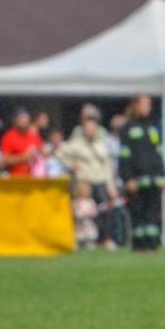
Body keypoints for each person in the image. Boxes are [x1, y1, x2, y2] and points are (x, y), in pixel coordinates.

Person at [60, 105, 124, 249]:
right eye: (88, 129)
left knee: (106, 210)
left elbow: (107, 166)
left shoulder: (101, 144)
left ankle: (107, 239)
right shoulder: (76, 144)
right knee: (82, 211)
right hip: (84, 182)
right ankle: (82, 240)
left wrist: (111, 186)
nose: (90, 132)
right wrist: (72, 166)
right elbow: (61, 154)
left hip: (101, 181)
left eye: (92, 129)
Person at [117, 94, 165, 252]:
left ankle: (152, 245)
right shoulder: (128, 128)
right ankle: (139, 247)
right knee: (138, 214)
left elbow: (158, 154)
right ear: (136, 106)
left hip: (153, 180)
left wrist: (163, 176)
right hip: (136, 181)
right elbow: (124, 155)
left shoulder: (152, 128)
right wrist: (127, 178)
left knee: (152, 214)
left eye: (149, 105)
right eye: (144, 104)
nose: (147, 108)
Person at [0, 108, 44, 178]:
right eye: (21, 118)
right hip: (16, 179)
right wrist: (23, 157)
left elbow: (42, 155)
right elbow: (3, 161)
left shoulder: (34, 136)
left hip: (34, 179)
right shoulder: (8, 137)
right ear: (15, 121)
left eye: (26, 118)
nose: (24, 121)